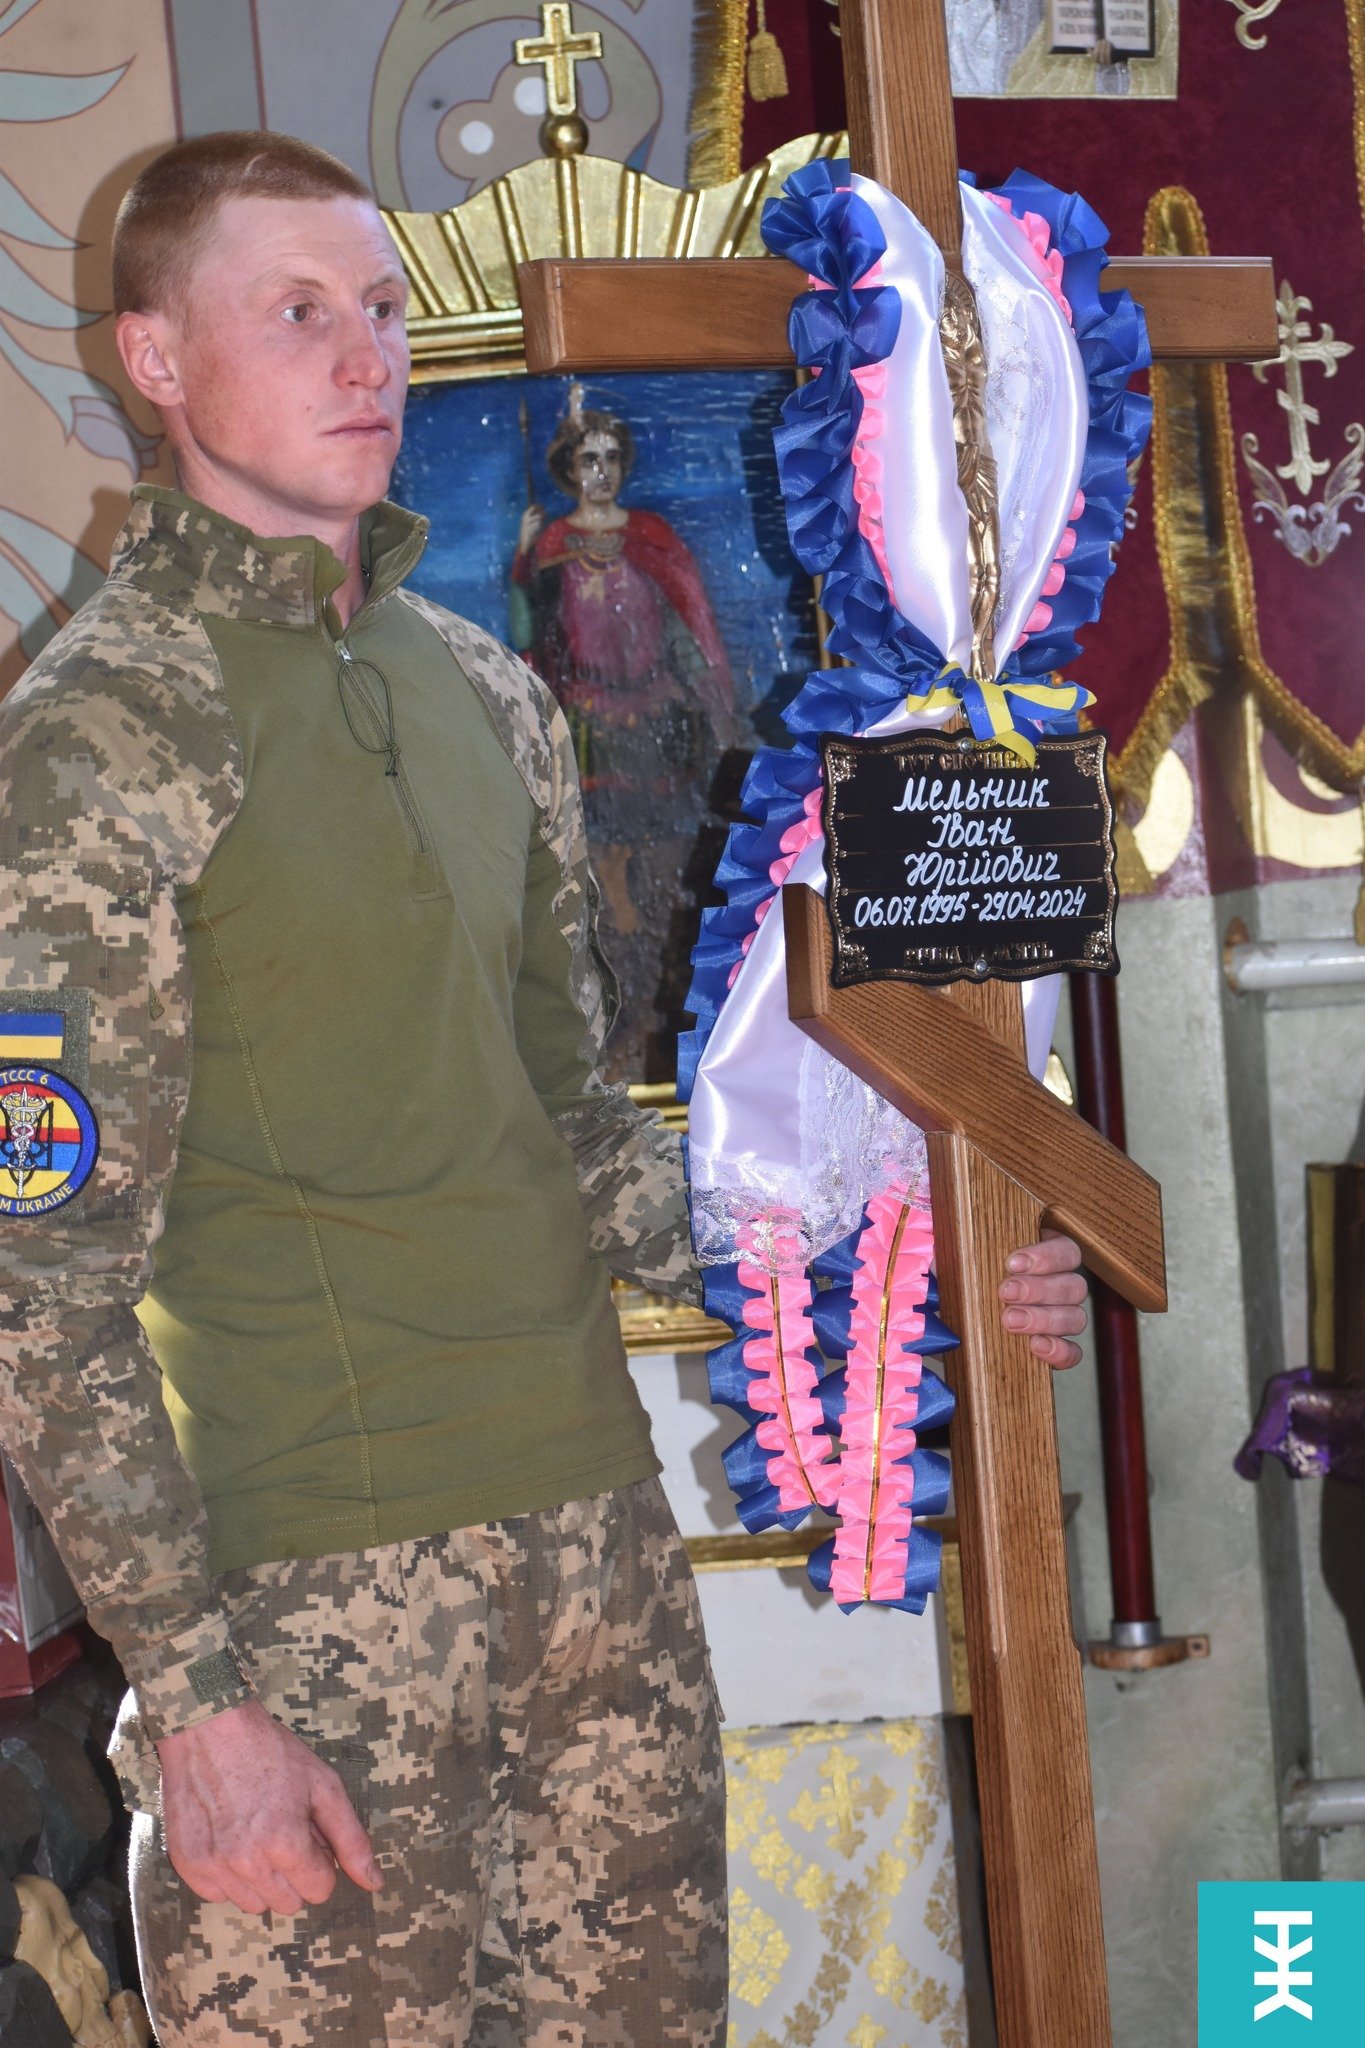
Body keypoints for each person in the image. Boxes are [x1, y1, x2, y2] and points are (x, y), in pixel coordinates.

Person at [0, 133, 1091, 2048]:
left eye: (383, 307)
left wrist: (888, 1260)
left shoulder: (486, 689)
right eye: (299, 311)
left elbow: (572, 1129)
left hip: (599, 1553)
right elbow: (41, 1280)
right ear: (155, 360)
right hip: (313, 1596)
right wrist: (201, 1699)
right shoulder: (98, 734)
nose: (368, 354)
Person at [510, 396, 738, 1078]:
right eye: (589, 459)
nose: (601, 471)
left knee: (669, 870)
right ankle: (620, 1024)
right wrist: (523, 560)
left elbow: (689, 628)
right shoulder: (552, 544)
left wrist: (712, 703)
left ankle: (676, 1017)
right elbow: (531, 638)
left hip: (660, 728)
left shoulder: (652, 537)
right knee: (605, 880)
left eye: (612, 458)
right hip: (590, 733)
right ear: (568, 469)